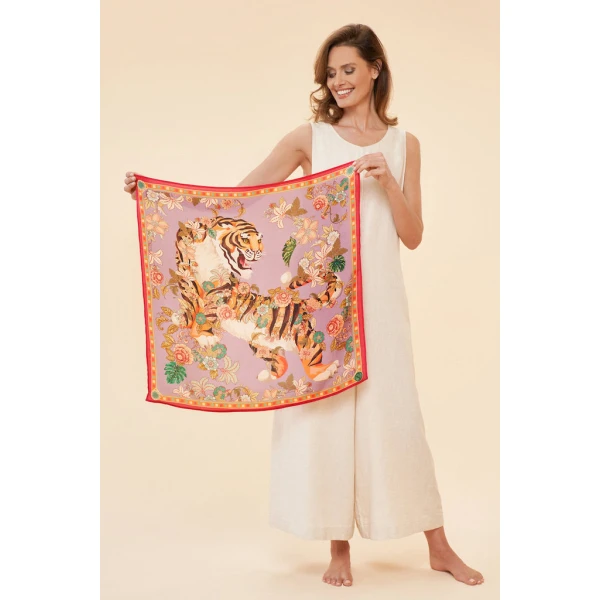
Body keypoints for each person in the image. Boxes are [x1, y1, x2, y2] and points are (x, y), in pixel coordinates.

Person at [124, 23, 484, 589]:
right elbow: (238, 201)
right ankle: (338, 548)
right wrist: (157, 197)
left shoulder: (404, 144)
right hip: (320, 306)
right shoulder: (309, 139)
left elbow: (413, 236)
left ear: (375, 70)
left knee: (397, 417)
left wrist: (388, 182)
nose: (338, 81)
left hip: (382, 302)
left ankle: (438, 546)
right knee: (328, 416)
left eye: (349, 69)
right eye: (331, 72)